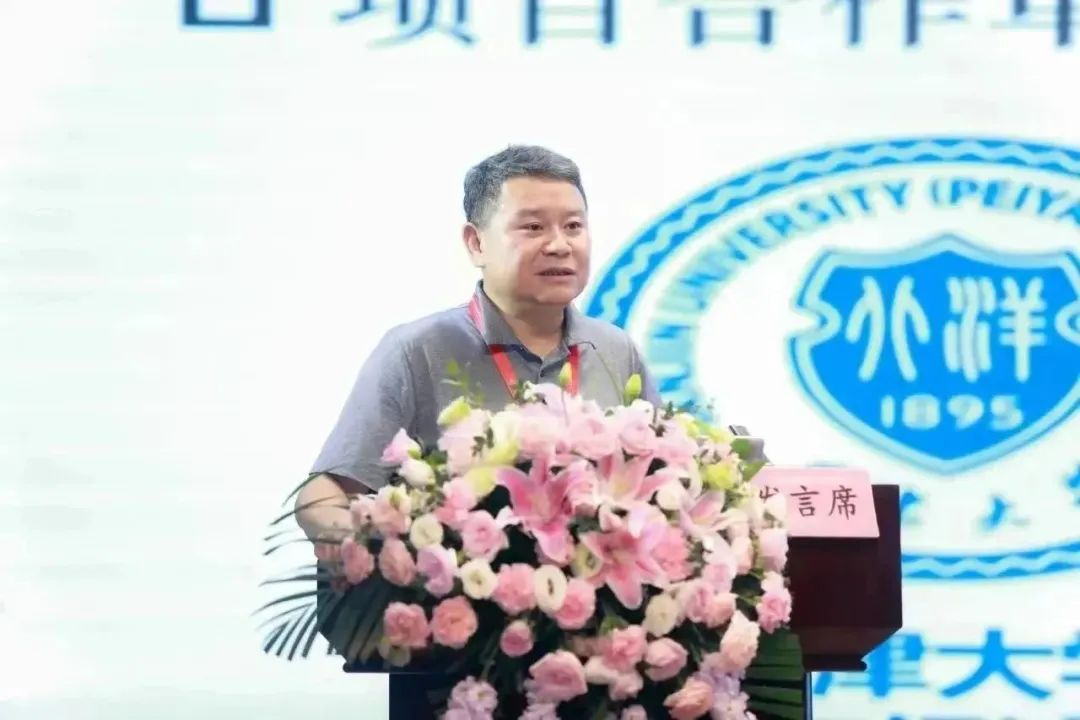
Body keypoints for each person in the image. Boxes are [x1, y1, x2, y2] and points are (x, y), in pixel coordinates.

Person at [295, 144, 660, 543]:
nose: (559, 245)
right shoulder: (417, 350)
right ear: (476, 243)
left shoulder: (614, 351)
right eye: (533, 227)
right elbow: (322, 497)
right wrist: (388, 552)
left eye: (573, 226)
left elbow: (662, 487)